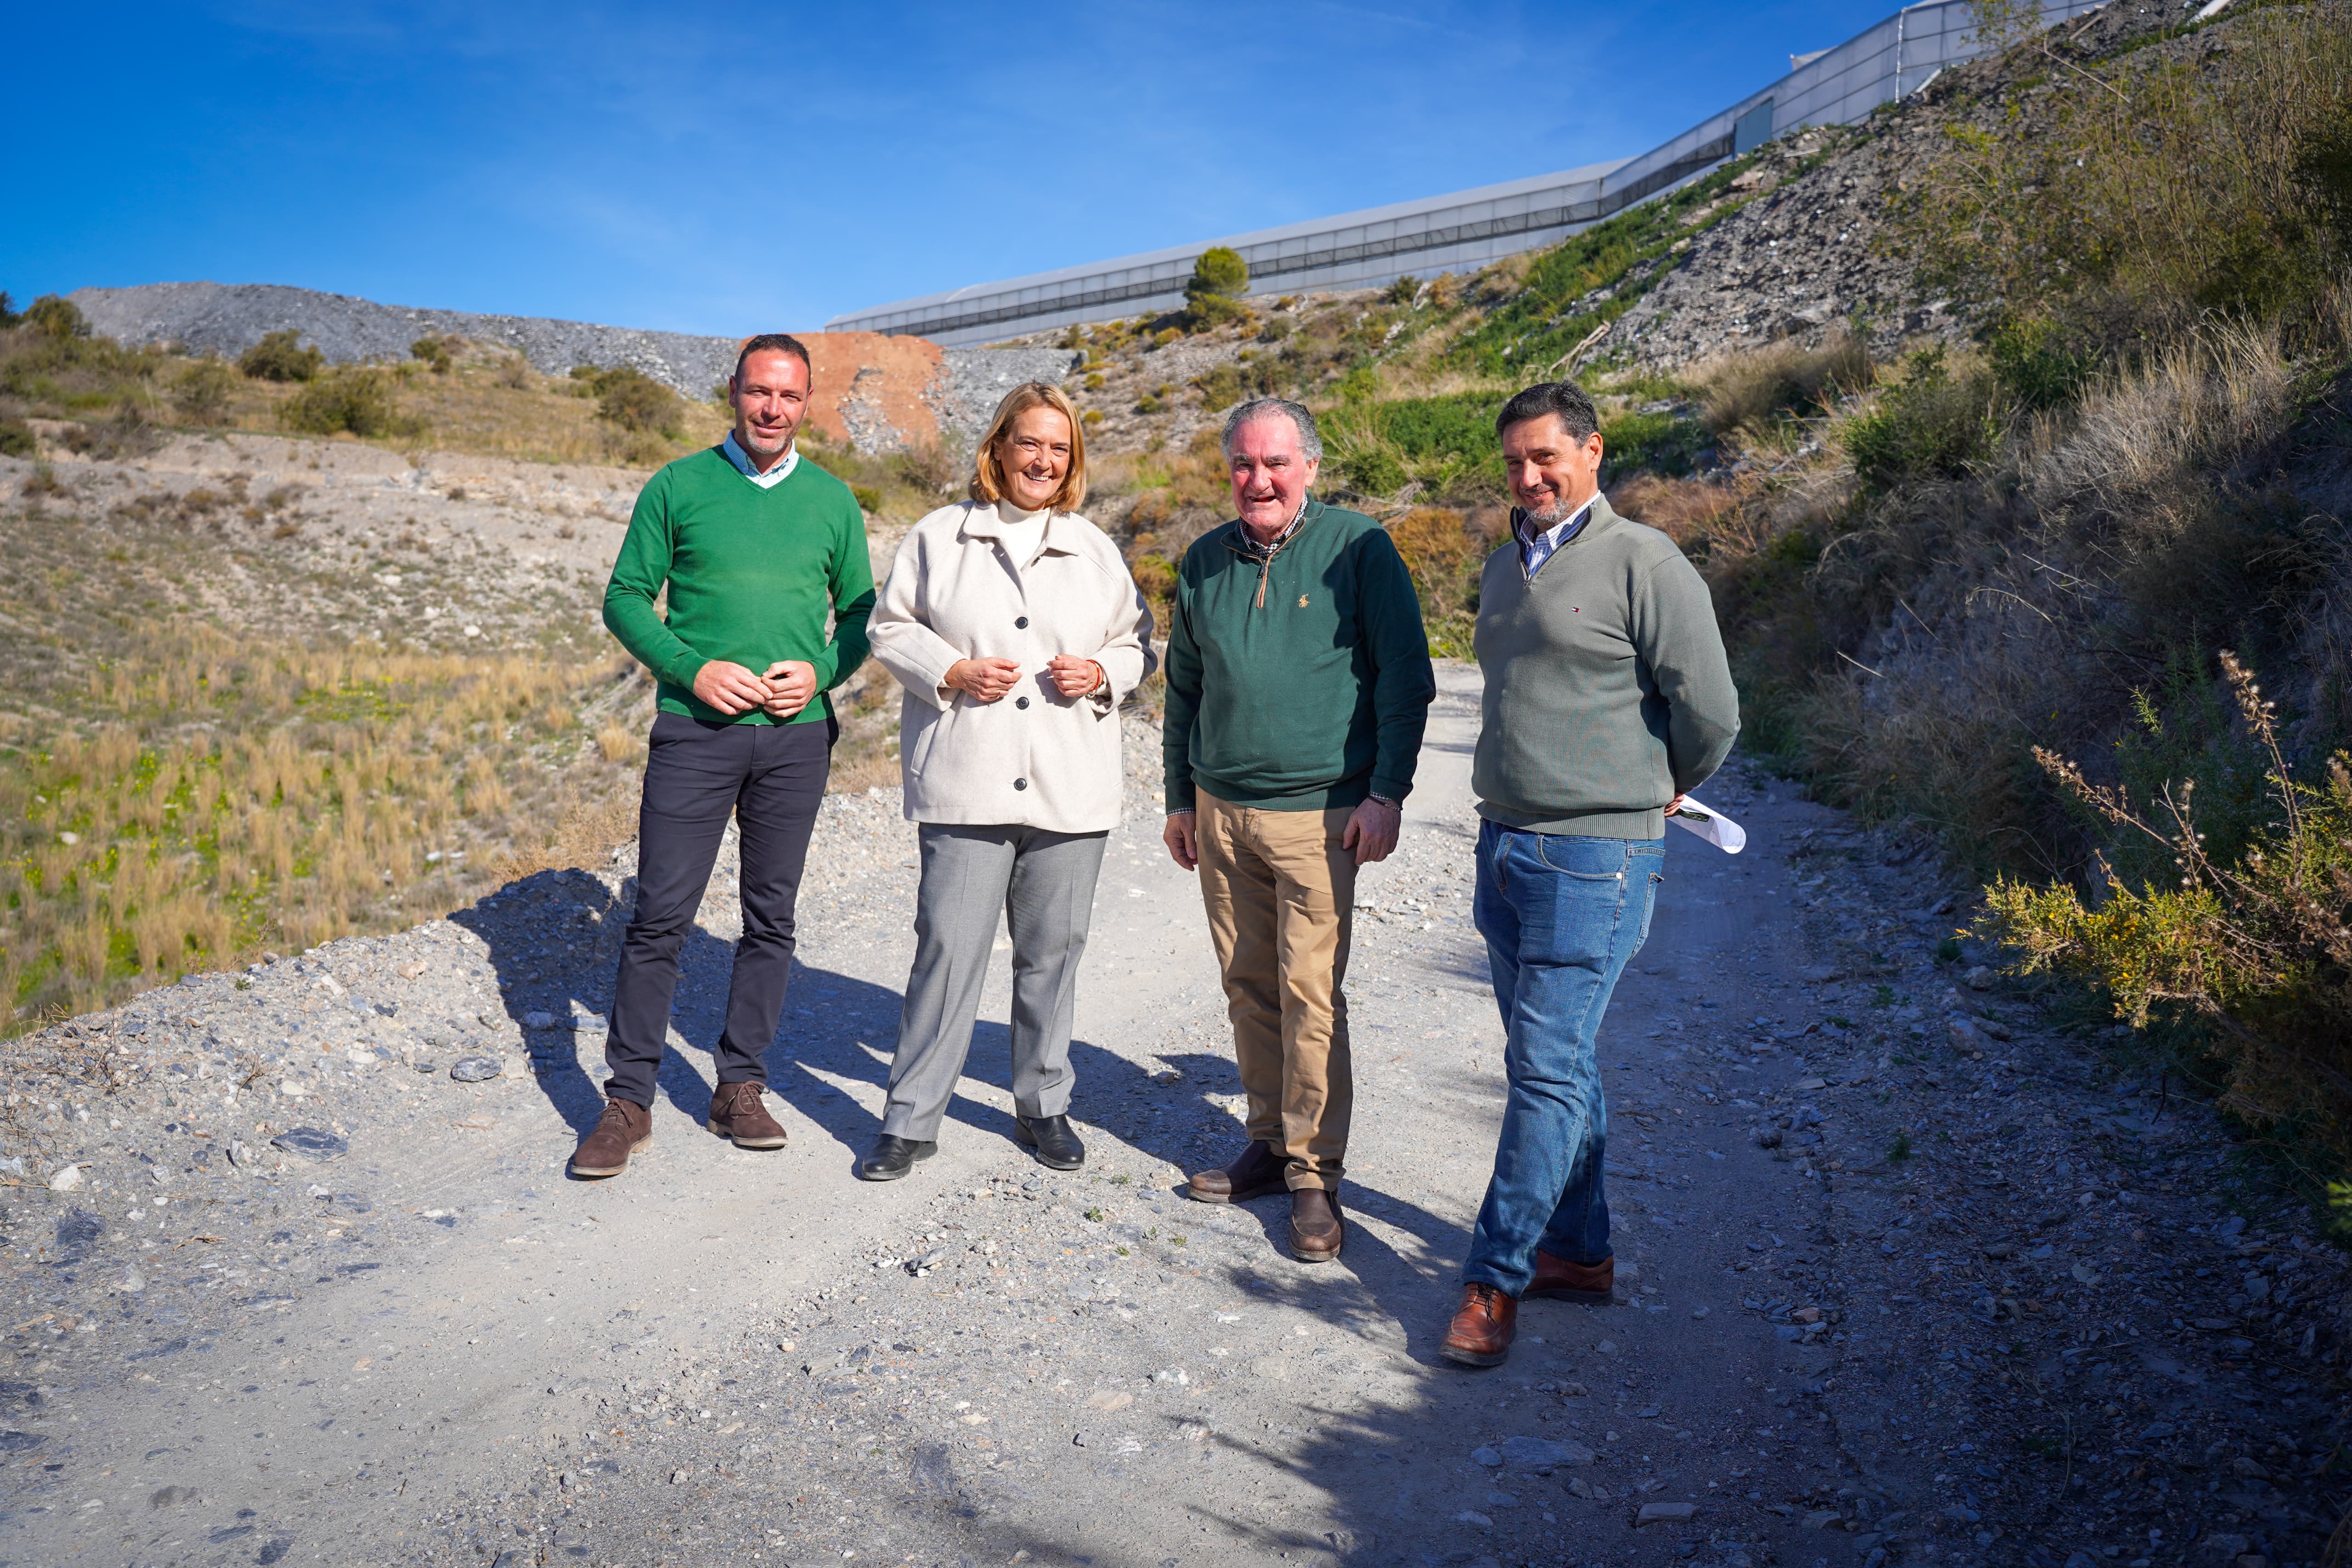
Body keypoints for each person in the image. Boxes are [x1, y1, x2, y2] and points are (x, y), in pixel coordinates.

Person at [1439, 381, 1740, 1366]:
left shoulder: (1644, 560)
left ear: (1592, 451)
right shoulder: (1502, 566)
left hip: (1597, 858)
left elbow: (1711, 713)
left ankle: (1496, 1278)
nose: (1528, 478)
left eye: (1545, 458)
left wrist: (1656, 786)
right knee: (1557, 1066)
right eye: (1514, 463)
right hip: (1504, 845)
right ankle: (1581, 1251)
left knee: (1542, 1068)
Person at [571, 333, 877, 1179]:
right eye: (758, 392)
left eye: (788, 396)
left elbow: (860, 615)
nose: (772, 409)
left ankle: (739, 1084)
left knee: (770, 918)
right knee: (659, 918)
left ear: (806, 404)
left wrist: (818, 670)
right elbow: (625, 596)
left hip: (796, 739)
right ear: (734, 392)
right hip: (693, 734)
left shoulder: (832, 500)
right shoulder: (678, 485)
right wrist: (690, 668)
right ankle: (628, 1101)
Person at [1162, 397, 1435, 1263]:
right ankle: (1272, 1143)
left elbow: (1406, 676)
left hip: (1320, 814)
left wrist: (1386, 792)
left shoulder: (1359, 547)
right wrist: (1179, 798)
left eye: (1277, 463)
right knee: (1248, 984)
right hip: (1221, 810)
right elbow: (1183, 690)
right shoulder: (1205, 560)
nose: (1259, 479)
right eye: (1244, 464)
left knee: (1310, 992)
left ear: (1310, 467)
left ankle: (1316, 1174)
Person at [859, 383, 1153, 1180]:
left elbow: (1138, 645)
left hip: (1070, 780)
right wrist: (949, 668)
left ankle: (1044, 1104)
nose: (1044, 461)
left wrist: (1102, 671)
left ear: (1073, 461)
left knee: (1052, 952)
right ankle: (911, 1116)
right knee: (949, 948)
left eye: (1059, 449)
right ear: (998, 448)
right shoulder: (939, 535)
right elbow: (888, 625)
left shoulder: (1095, 547)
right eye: (1030, 443)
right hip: (969, 774)